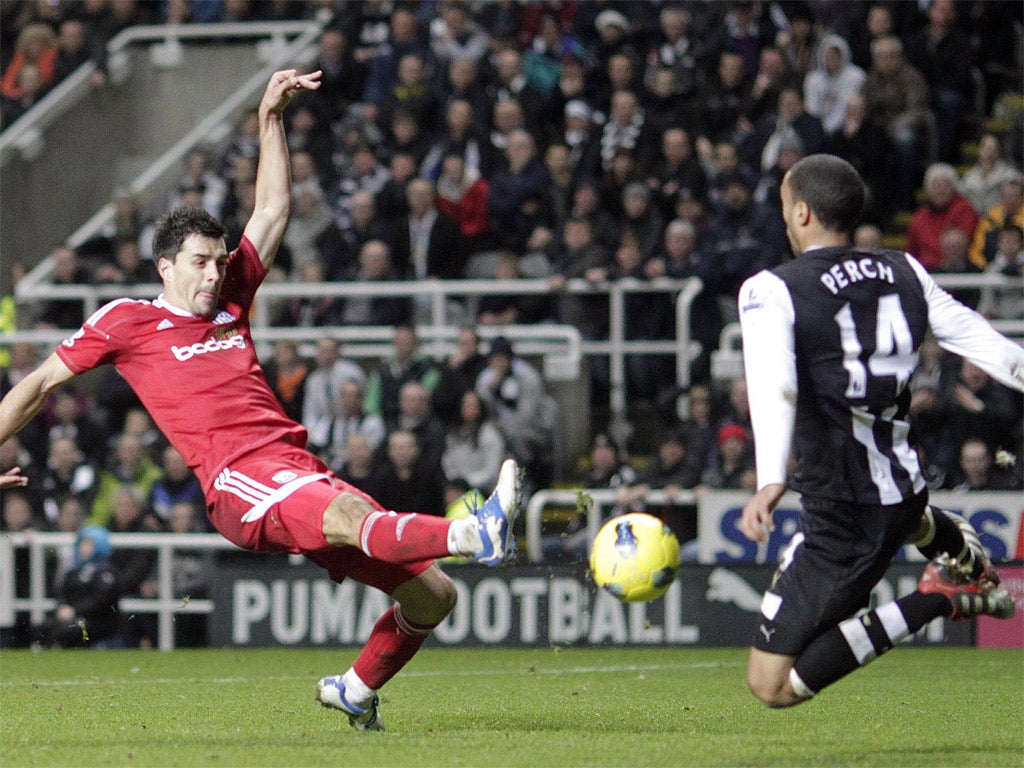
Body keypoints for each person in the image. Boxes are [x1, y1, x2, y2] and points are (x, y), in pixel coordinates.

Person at [0, 70, 521, 731]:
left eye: (220, 261)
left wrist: (269, 116)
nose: (215, 274)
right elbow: (38, 384)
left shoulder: (231, 300)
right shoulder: (127, 321)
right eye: (200, 262)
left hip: (293, 465)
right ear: (166, 267)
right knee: (357, 511)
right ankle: (473, 531)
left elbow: (271, 211)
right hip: (236, 482)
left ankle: (355, 689)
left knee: (431, 595)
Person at [736, 153, 1019, 709]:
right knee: (908, 519)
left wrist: (770, 478)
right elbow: (988, 345)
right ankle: (951, 543)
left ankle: (942, 597)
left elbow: (776, 387)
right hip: (904, 487)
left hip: (843, 513)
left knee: (770, 687)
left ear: (801, 213)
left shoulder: (771, 289)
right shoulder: (904, 269)